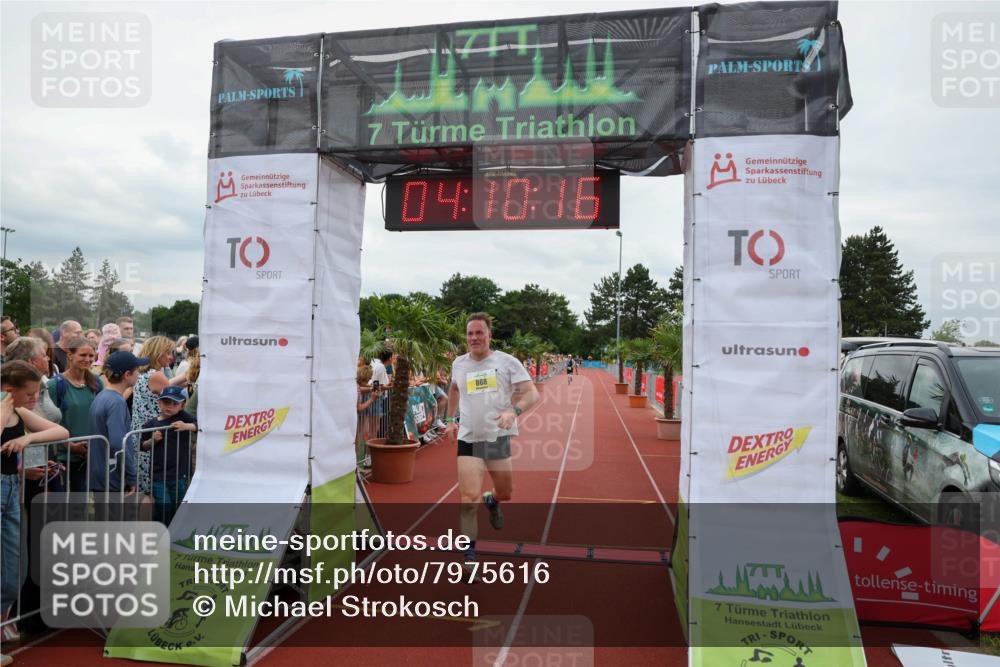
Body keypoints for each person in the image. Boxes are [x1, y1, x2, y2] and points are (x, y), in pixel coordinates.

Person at [443, 313, 538, 577]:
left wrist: (513, 412)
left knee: (506, 492)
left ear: (489, 335)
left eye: (479, 333)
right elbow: (453, 390)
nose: (474, 338)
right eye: (470, 333)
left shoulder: (506, 362)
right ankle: (469, 555)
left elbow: (533, 393)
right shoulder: (459, 364)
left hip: (496, 437)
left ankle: (493, 500)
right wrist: (450, 420)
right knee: (468, 500)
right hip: (469, 437)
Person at [2, 362, 69, 645]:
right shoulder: (8, 410)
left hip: (11, 491)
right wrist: (5, 407)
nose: (34, 399)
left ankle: (4, 621)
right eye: (29, 394)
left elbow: (60, 432)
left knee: (14, 564)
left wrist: (29, 439)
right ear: (9, 390)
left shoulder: (19, 411)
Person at [47, 337, 102, 493]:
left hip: (88, 456)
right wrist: (69, 445)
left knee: (80, 505)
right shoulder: (55, 385)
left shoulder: (97, 383)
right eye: (83, 355)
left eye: (91, 356)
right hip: (62, 457)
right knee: (60, 505)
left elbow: (100, 417)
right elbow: (49, 421)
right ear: (69, 355)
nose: (88, 359)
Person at [88, 351, 146, 494]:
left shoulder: (102, 396)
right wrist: (132, 477)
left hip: (101, 473)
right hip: (111, 476)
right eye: (137, 371)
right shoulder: (117, 402)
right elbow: (118, 443)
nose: (139, 374)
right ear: (127, 375)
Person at [140, 386, 195, 524]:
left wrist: (186, 426)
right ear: (159, 402)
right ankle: (162, 534)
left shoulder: (183, 417)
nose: (169, 406)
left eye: (175, 403)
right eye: (166, 402)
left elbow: (199, 424)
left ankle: (176, 537)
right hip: (159, 476)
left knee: (178, 507)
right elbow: (142, 446)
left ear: (182, 405)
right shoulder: (151, 424)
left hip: (179, 474)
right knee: (163, 507)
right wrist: (152, 440)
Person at [129, 336, 175, 493]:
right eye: (168, 353)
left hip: (141, 436)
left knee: (143, 489)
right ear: (158, 353)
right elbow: (176, 402)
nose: (171, 357)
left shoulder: (142, 374)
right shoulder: (157, 376)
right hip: (154, 438)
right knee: (152, 491)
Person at [3, 338, 61, 423]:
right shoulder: (14, 395)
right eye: (44, 355)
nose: (48, 359)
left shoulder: (43, 385)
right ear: (32, 362)